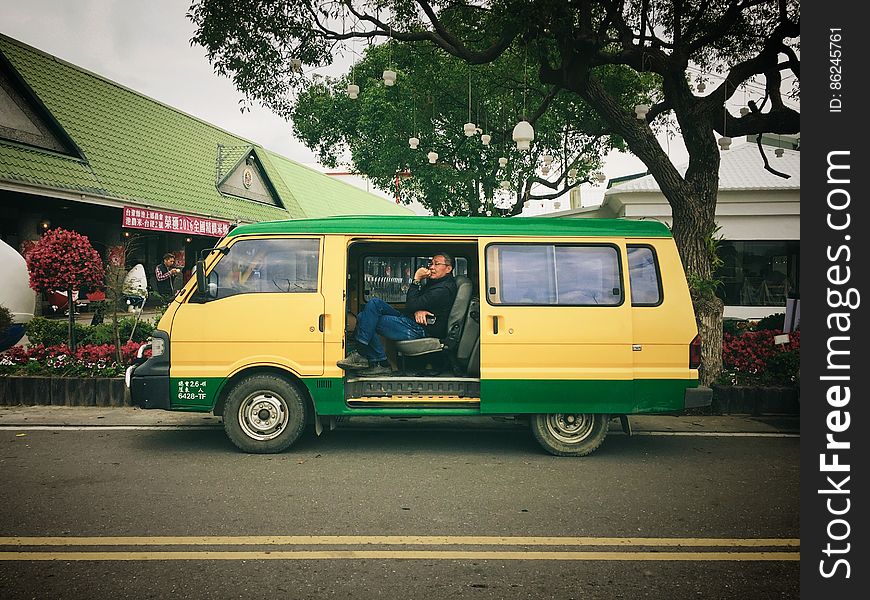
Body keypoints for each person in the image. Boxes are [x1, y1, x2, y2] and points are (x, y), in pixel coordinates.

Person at [338, 252, 457, 376]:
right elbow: (417, 304)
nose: (431, 267)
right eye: (431, 263)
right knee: (374, 303)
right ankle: (368, 355)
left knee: (365, 318)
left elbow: (411, 304)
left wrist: (416, 279)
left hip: (421, 329)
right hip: (411, 319)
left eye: (437, 264)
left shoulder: (443, 289)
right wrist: (417, 310)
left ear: (448, 269)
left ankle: (375, 360)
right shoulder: (437, 283)